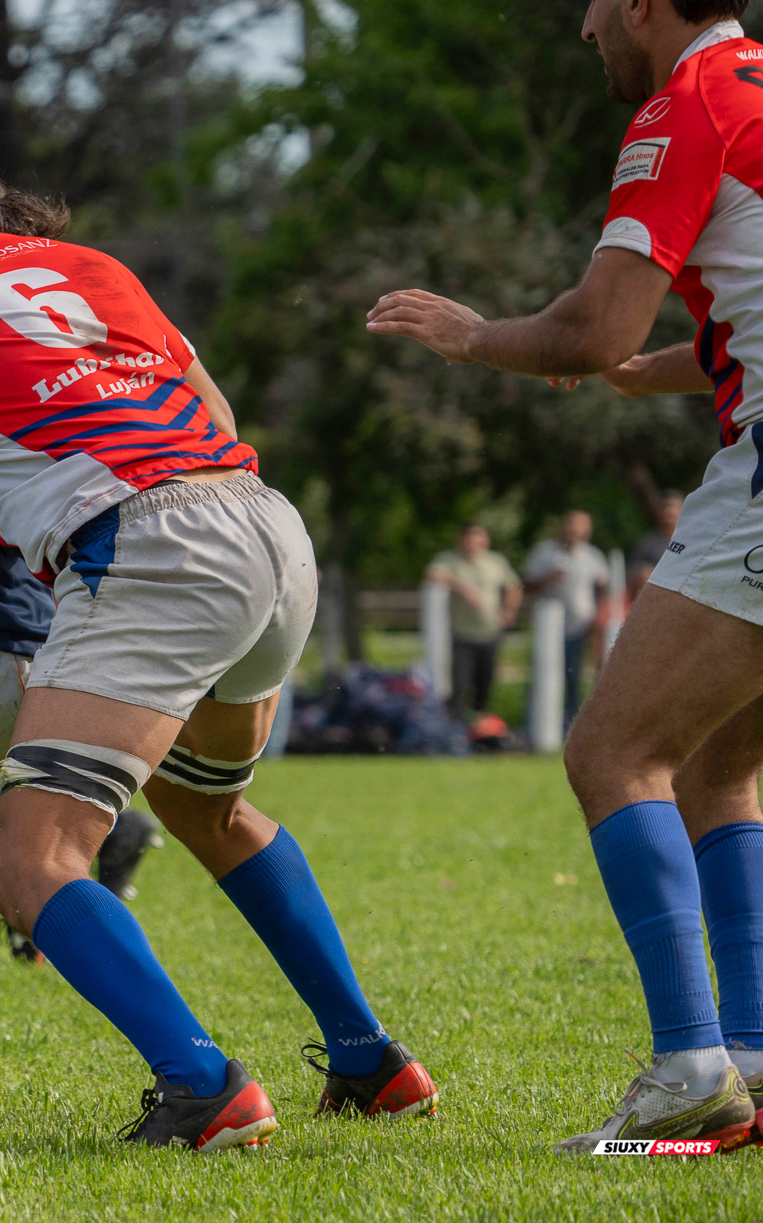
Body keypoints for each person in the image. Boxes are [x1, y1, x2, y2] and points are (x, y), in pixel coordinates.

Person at [0, 116, 438, 1147]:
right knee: (211, 807)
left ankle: (204, 1084)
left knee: (27, 864)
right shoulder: (86, 265)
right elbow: (214, 404)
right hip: (263, 526)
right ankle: (371, 1057)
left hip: (148, 552)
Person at [367, 0, 762, 1153]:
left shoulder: (685, 104)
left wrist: (477, 334)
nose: (586, 25)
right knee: (720, 761)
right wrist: (677, 373)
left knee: (612, 750)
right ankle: (746, 1054)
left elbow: (589, 328)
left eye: (596, 2)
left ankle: (691, 1061)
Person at [426, 524, 521, 719]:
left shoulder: (496, 562)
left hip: (490, 633)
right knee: (459, 684)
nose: (471, 543)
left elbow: (513, 586)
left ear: (485, 541)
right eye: (467, 538)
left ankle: (479, 727)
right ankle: (457, 727)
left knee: (485, 683)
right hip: (461, 634)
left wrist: (509, 610)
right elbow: (432, 575)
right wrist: (463, 588)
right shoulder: (449, 560)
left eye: (476, 538)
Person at [523, 511, 610, 725]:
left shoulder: (593, 556)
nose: (574, 530)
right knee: (544, 677)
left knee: (575, 677)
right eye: (571, 524)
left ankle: (571, 725)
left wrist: (599, 618)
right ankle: (539, 724)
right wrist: (548, 579)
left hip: (581, 627)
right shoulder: (544, 552)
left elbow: (604, 588)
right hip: (548, 629)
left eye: (580, 526)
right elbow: (526, 586)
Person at [629, 492, 684, 595]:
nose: (669, 511)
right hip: (654, 594)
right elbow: (634, 572)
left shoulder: (690, 541)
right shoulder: (647, 543)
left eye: (673, 507)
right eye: (665, 507)